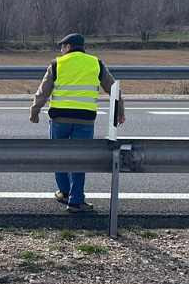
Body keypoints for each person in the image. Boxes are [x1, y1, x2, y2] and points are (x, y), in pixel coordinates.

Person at [29, 33, 126, 214]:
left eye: (62, 46)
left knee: (58, 155)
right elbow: (114, 89)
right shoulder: (96, 63)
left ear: (68, 46)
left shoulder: (57, 64)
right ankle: (76, 201)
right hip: (85, 120)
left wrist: (34, 112)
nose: (61, 50)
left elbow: (43, 92)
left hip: (59, 120)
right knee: (81, 159)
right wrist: (120, 112)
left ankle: (64, 192)